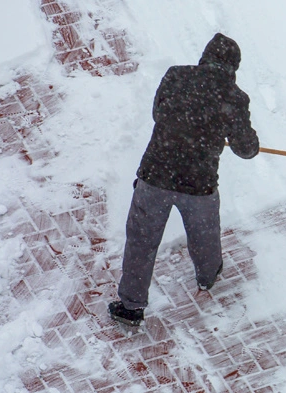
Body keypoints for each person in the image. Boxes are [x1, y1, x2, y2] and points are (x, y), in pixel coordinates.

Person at [108, 33, 259, 327]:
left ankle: (130, 307)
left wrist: (190, 123)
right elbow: (246, 150)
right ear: (233, 68)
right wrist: (235, 135)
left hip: (156, 175)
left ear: (205, 56)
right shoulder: (235, 98)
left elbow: (158, 114)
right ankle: (208, 275)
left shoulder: (176, 75)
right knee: (204, 234)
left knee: (141, 241)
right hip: (198, 184)